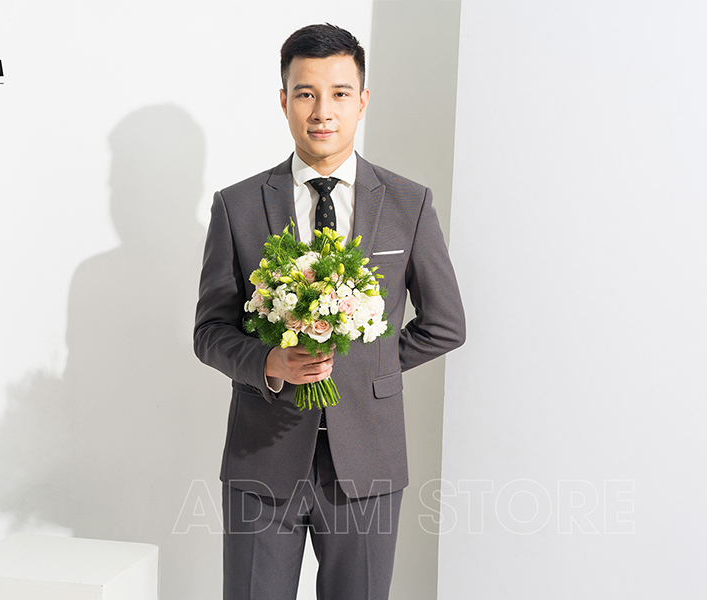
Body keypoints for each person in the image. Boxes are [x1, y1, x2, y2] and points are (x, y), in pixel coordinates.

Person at [194, 23, 465, 600]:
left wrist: (368, 361)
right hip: (261, 460)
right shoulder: (238, 206)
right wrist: (270, 361)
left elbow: (445, 325)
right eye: (306, 93)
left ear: (362, 100)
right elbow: (210, 331)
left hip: (368, 460)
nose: (323, 111)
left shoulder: (409, 203)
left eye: (339, 93)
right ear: (284, 101)